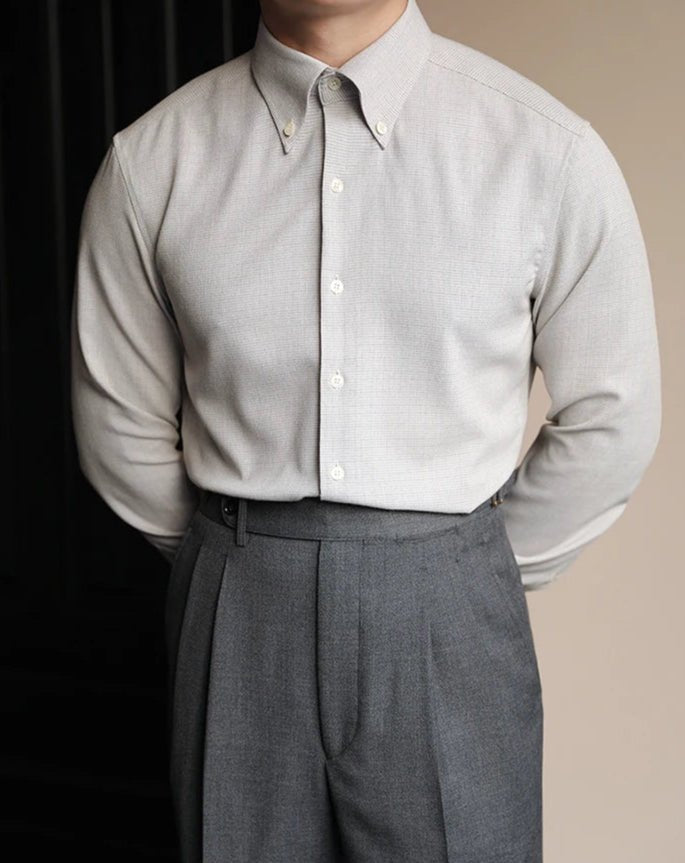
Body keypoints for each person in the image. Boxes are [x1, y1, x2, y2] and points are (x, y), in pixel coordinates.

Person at [69, 0, 662, 860]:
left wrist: (462, 569)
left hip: (450, 608)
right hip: (241, 601)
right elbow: (117, 424)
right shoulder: (153, 159)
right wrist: (236, 561)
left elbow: (612, 415)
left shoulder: (544, 150)